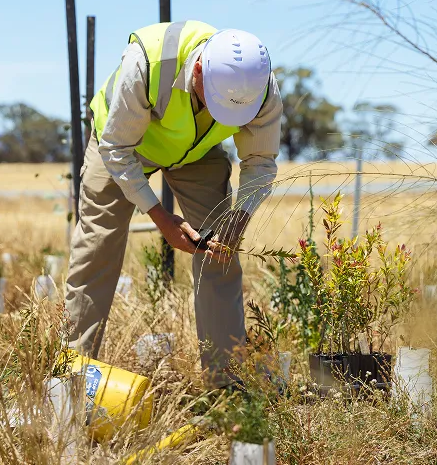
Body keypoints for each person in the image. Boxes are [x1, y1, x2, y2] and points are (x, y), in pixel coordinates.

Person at [65, 20, 282, 386]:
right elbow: (117, 149)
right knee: (97, 246)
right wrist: (162, 219)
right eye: (216, 104)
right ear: (197, 69)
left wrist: (239, 218)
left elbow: (260, 161)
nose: (221, 117)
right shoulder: (148, 62)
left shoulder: (259, 87)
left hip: (195, 152)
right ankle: (69, 375)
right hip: (121, 146)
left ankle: (226, 382)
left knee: (219, 252)